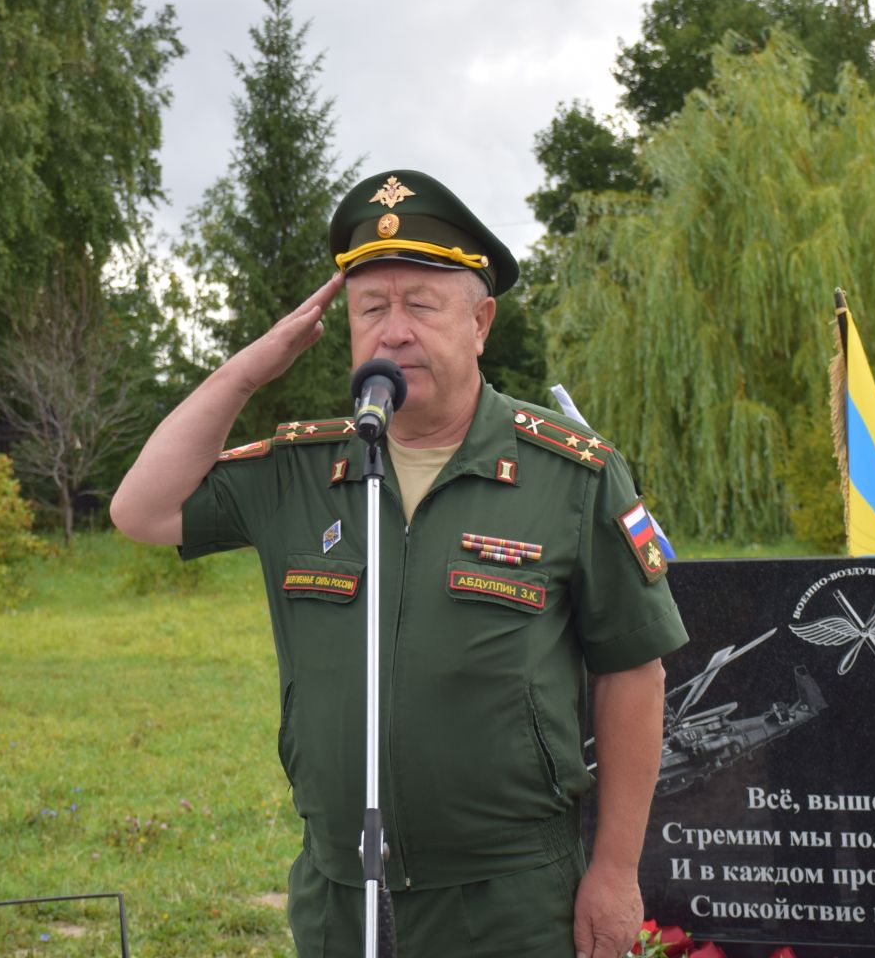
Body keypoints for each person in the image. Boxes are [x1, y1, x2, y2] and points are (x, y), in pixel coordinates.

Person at [112, 169, 688, 958]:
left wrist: (617, 870)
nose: (393, 332)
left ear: (480, 322)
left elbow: (635, 671)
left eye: (421, 304)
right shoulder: (301, 471)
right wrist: (250, 368)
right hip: (342, 894)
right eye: (369, 309)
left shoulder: (570, 474)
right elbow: (139, 511)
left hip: (513, 896)